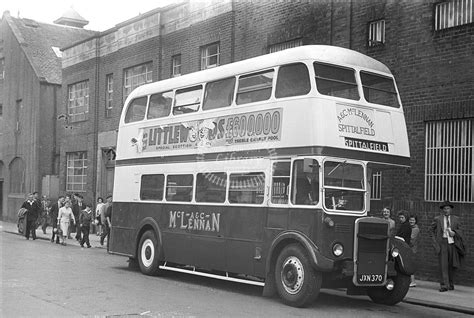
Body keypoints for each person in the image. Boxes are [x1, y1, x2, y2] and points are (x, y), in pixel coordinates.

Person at [431, 200, 464, 292]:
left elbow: (461, 230)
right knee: (443, 265)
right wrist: (435, 243)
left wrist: (455, 232)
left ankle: (450, 284)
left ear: (451, 209)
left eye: (448, 208)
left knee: (452, 264)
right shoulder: (438, 219)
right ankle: (444, 285)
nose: (446, 210)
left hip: (452, 243)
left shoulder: (456, 219)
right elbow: (431, 231)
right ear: (442, 210)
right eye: (444, 209)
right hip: (442, 243)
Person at [409, 214, 420, 287]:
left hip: (412, 249)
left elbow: (412, 240)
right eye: (410, 220)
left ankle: (413, 281)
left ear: (415, 221)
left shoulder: (415, 229)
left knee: (410, 265)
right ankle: (411, 281)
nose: (411, 221)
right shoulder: (412, 228)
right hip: (412, 249)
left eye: (413, 220)